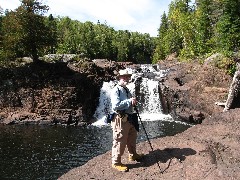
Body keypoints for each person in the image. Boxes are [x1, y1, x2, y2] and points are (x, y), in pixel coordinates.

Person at [110, 69, 144, 172]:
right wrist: (129, 101)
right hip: (120, 118)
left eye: (127, 77)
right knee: (120, 140)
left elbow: (128, 102)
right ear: (119, 78)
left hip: (129, 118)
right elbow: (116, 105)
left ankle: (133, 155)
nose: (126, 78)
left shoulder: (126, 89)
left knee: (132, 136)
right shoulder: (116, 90)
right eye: (123, 77)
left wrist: (132, 102)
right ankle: (116, 162)